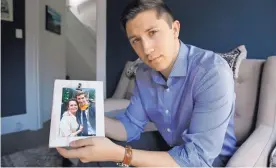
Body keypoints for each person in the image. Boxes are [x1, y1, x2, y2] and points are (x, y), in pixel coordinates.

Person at [57, 0, 237, 167]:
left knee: (114, 155)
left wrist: (121, 155)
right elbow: (130, 126)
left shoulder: (211, 71)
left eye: (152, 33)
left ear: (175, 30)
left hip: (211, 161)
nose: (146, 49)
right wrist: (87, 117)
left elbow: (197, 159)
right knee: (93, 158)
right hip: (170, 147)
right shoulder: (143, 73)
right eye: (136, 40)